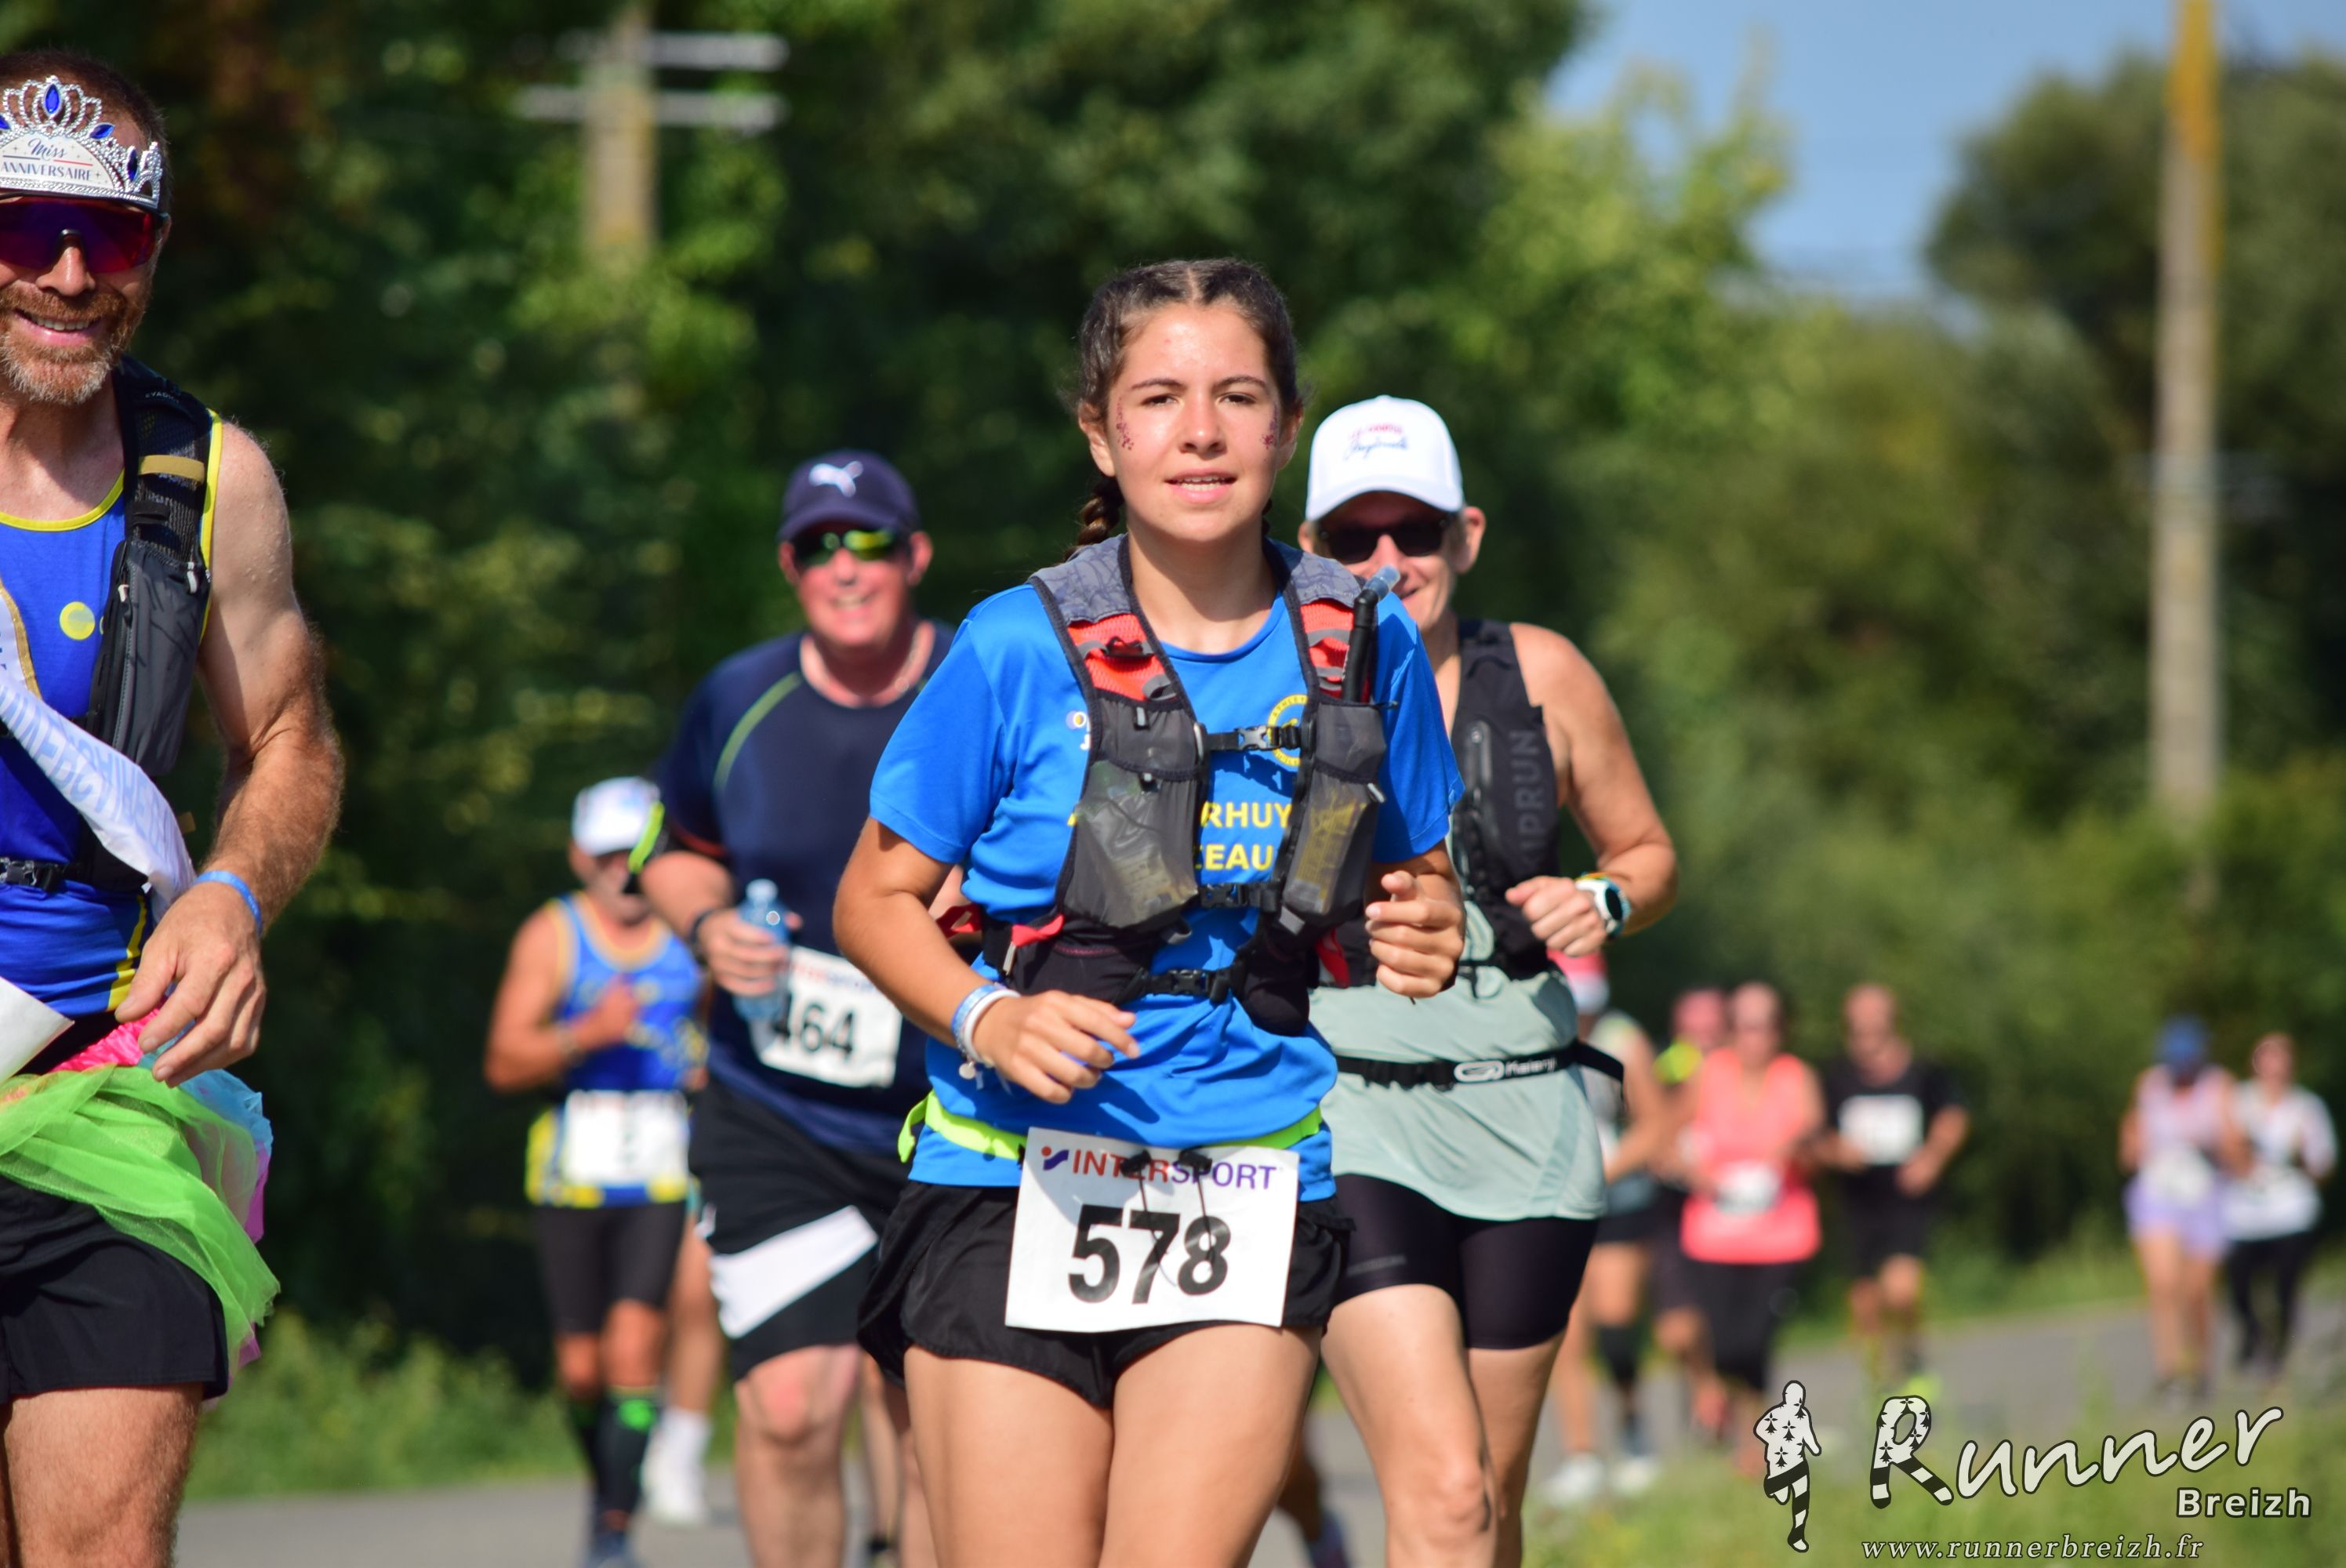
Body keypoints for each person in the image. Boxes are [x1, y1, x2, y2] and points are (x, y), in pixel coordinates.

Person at [837, 258, 1467, 1568]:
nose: (1200, 433)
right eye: (1160, 398)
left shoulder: (1366, 640)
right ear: (1101, 431)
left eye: (1237, 396)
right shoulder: (1012, 645)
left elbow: (1420, 875)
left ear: (1285, 428)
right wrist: (988, 1015)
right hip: (1008, 1173)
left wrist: (1429, 926)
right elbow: (872, 901)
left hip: (1243, 1175)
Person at [0, 52, 340, 1567]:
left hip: (104, 1084)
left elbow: (291, 735)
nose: (70, 276)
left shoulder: (210, 480)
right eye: (26, 228)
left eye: (113, 235)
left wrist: (232, 892)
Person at [1297, 394, 1676, 1567]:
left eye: (1413, 530)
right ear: (1309, 548)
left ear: (1464, 536)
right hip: (1353, 1112)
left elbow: (1647, 854)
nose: (1387, 560)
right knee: (1446, 1489)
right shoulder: (1272, 681)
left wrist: (1602, 899)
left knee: (1494, 1500)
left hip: (1526, 1118)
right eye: (1353, 536)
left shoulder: (1546, 672)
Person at [638, 448, 944, 1568]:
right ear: (788, 565)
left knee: (934, 1424)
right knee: (787, 1407)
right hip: (778, 1109)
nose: (844, 566)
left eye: (868, 542)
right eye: (818, 545)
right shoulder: (737, 696)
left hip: (952, 1110)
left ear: (915, 556)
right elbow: (671, 852)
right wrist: (709, 924)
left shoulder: (980, 684)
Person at [485, 778, 703, 1568]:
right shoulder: (552, 934)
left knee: (634, 1349)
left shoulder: (692, 932)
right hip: (571, 1171)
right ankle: (609, 1485)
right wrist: (586, 1033)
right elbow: (504, 1060)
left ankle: (614, 1528)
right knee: (581, 1368)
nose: (624, 871)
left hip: (663, 1171)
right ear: (581, 856)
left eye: (639, 855)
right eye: (610, 854)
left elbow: (728, 1032)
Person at [1680, 981, 1823, 1473]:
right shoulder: (1708, 1074)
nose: (1753, 1036)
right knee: (1723, 1342)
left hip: (1780, 1235)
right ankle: (1723, 1407)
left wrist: (1797, 1148)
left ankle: (1754, 1438)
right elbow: (1671, 1136)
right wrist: (1694, 1171)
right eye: (1742, 1025)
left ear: (1781, 1029)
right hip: (1714, 1235)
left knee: (1753, 1339)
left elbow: (1814, 1136)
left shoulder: (1796, 1076)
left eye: (1763, 1025)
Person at [1544, 996, 1669, 1506]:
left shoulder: (1623, 1038)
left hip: (1619, 1198)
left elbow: (1654, 1124)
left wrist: (1602, 1172)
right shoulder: (1530, 1026)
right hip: (1553, 1200)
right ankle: (1582, 1454)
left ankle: (1633, 1430)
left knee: (1616, 1328)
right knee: (1565, 1334)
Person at [1814, 983, 1968, 1392]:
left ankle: (1913, 1357)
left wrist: (1932, 1157)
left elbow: (1953, 1115)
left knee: (1901, 1290)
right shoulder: (1835, 1076)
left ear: (1892, 1017)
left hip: (1906, 1196)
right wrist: (1836, 1151)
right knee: (1865, 1306)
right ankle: (1880, 1388)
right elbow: (1814, 1135)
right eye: (1858, 1018)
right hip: (1858, 1200)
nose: (1866, 1026)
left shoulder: (1924, 1069)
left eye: (1874, 1016)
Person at [2119, 1016, 2239, 1404]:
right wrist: (2133, 1146)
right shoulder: (2150, 1085)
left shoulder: (2219, 1086)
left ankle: (2201, 1368)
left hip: (2206, 1193)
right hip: (2159, 1191)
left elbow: (2233, 1144)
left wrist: (2214, 1145)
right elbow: (2133, 1134)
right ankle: (2169, 1371)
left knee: (2197, 1292)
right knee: (2163, 1284)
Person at [2221, 1033, 2334, 1381]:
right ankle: (2252, 1331)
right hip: (2246, 1213)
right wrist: (2238, 1150)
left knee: (2286, 1285)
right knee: (2238, 1285)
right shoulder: (2237, 1102)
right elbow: (2225, 1152)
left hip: (2290, 1211)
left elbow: (2323, 1165)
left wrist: (2302, 1157)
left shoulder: (2307, 1107)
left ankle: (2279, 1352)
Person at [1648, 985, 1726, 1441]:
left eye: (1713, 1026)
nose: (1704, 1036)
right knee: (1676, 1330)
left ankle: (1723, 1407)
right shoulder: (1662, 1068)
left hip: (1733, 1210)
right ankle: (1705, 1385)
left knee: (1727, 1318)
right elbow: (1654, 1136)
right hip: (1675, 1209)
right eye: (1693, 1027)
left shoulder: (1747, 1068)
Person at [641, 1219, 723, 1527]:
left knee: (696, 1295)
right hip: (632, 1192)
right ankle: (646, 1428)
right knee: (647, 1303)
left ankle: (682, 1455)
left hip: (696, 1192)